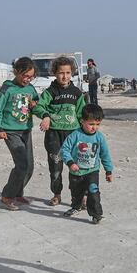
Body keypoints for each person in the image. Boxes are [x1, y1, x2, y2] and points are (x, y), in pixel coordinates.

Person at [33, 56, 86, 206]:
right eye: (61, 73)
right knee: (55, 168)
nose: (65, 76)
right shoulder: (50, 92)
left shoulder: (76, 93)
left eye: (68, 72)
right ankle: (57, 194)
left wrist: (87, 129)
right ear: (55, 73)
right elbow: (38, 107)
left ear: (72, 73)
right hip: (54, 135)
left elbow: (82, 113)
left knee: (76, 167)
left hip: (73, 135)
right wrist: (45, 116)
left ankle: (80, 196)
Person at [0, 57, 39, 211]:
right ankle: (7, 196)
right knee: (22, 164)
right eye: (25, 76)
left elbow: (37, 104)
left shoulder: (31, 89)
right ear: (16, 72)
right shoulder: (7, 88)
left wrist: (36, 105)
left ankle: (18, 193)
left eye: (31, 77)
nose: (28, 79)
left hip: (26, 131)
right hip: (10, 132)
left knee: (29, 166)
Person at [60, 103, 114, 223]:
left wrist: (108, 171)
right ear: (82, 121)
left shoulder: (100, 137)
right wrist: (70, 163)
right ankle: (76, 206)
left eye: (97, 124)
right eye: (91, 124)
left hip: (92, 171)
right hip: (76, 171)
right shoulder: (75, 135)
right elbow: (64, 150)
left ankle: (96, 214)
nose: (94, 127)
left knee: (93, 191)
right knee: (76, 192)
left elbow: (105, 155)